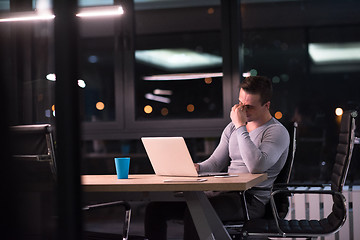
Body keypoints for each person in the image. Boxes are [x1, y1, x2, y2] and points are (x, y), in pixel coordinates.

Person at [144, 76, 290, 240]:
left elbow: (256, 166)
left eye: (249, 107)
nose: (242, 110)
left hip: (250, 201)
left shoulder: (276, 132)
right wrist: (198, 167)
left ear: (267, 105)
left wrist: (241, 126)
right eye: (240, 104)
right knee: (155, 209)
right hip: (223, 193)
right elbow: (215, 163)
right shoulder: (232, 128)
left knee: (197, 213)